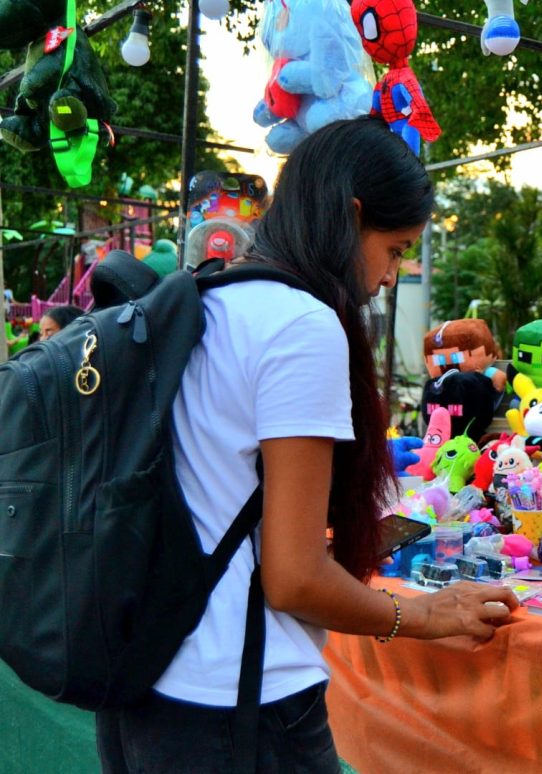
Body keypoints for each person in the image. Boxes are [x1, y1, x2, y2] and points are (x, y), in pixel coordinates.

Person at [95, 117, 519, 773]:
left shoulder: (210, 298)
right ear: (351, 218)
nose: (390, 277)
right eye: (398, 248)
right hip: (237, 707)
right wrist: (423, 615)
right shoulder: (301, 324)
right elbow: (293, 578)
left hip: (140, 687)